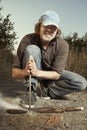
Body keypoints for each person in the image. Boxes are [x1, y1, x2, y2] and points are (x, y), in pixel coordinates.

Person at [12, 10, 87, 108]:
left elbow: (56, 74)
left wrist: (36, 73)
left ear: (57, 31)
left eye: (53, 28)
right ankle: (31, 92)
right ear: (39, 27)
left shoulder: (63, 45)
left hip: (49, 74)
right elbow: (14, 73)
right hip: (33, 72)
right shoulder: (27, 39)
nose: (49, 30)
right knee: (32, 48)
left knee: (81, 83)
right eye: (46, 26)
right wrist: (26, 72)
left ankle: (47, 90)